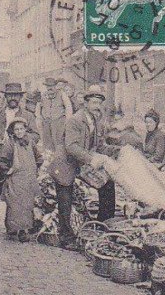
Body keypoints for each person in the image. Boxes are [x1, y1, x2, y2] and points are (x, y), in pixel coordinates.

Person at [49, 85, 115, 248]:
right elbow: (71, 146)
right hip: (65, 164)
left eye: (99, 103)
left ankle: (103, 226)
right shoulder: (75, 120)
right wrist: (91, 159)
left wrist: (116, 151)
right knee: (65, 201)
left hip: (80, 163)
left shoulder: (95, 120)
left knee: (107, 184)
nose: (97, 106)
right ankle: (66, 238)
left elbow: (99, 145)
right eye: (94, 103)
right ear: (85, 103)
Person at [0, 118, 44, 243]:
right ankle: (14, 229)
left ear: (25, 129)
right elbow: (3, 160)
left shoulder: (30, 142)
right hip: (16, 179)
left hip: (29, 179)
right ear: (13, 131)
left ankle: (23, 230)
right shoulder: (10, 144)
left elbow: (39, 157)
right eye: (16, 129)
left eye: (21, 129)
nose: (19, 131)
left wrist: (35, 168)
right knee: (14, 204)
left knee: (27, 204)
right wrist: (8, 170)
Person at [39, 77, 73, 151]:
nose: (49, 88)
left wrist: (67, 121)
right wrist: (41, 118)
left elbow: (68, 107)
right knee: (47, 142)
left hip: (59, 122)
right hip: (46, 122)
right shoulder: (43, 95)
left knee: (58, 142)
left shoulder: (62, 94)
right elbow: (40, 108)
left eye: (51, 86)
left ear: (55, 86)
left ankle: (59, 155)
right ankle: (49, 155)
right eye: (48, 86)